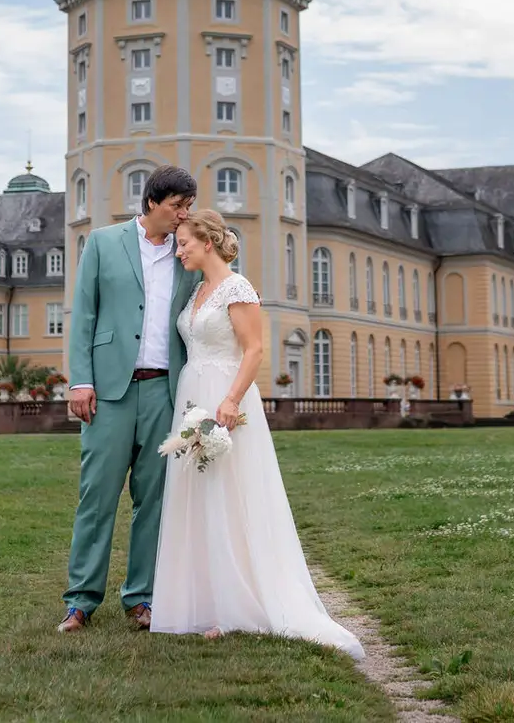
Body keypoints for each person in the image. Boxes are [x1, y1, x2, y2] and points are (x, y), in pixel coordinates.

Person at [150, 209, 364, 658]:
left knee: (231, 493)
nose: (179, 249)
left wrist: (230, 400)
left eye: (185, 242)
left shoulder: (237, 287)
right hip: (193, 395)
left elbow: (254, 350)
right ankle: (201, 603)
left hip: (227, 396)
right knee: (197, 493)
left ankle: (236, 607)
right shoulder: (195, 295)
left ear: (207, 242)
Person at [59, 165, 201, 632]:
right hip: (109, 391)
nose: (184, 215)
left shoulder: (187, 252)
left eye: (188, 207)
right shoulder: (102, 242)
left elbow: (214, 289)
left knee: (154, 499)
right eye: (178, 206)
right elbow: (84, 314)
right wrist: (81, 380)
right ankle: (80, 601)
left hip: (165, 389)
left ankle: (141, 599)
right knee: (97, 497)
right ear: (152, 203)